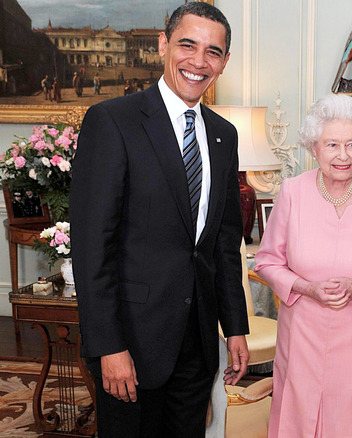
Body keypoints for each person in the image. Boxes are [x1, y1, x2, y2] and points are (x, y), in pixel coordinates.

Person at [70, 3, 249, 437]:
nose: (198, 61)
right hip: (132, 340)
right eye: (188, 45)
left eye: (213, 52)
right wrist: (109, 345)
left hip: (198, 340)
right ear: (162, 45)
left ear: (224, 63)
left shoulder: (224, 135)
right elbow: (93, 247)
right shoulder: (113, 121)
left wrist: (236, 327)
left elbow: (223, 244)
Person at [255, 94, 352, 438]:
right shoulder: (293, 192)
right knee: (296, 420)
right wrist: (306, 288)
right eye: (332, 145)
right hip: (301, 336)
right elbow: (267, 260)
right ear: (314, 148)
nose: (343, 155)